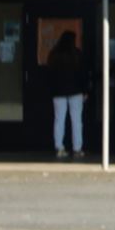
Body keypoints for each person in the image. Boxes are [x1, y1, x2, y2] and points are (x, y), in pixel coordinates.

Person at [44, 29, 87, 160]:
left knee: (59, 120)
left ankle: (59, 147)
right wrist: (85, 90)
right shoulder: (77, 54)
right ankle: (77, 149)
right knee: (76, 121)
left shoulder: (54, 55)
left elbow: (49, 75)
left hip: (58, 92)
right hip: (75, 91)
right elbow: (82, 74)